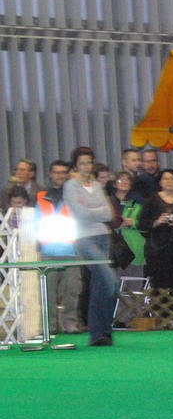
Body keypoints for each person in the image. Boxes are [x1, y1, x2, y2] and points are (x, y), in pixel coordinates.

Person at [62, 146, 117, 347]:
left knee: (101, 284)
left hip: (103, 236)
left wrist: (94, 210)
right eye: (82, 163)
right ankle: (99, 330)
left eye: (89, 162)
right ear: (76, 165)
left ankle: (101, 332)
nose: (86, 166)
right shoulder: (71, 186)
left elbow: (109, 214)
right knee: (110, 279)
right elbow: (81, 213)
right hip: (84, 239)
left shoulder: (95, 184)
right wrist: (98, 210)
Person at [34, 161, 82, 334]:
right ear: (50, 174)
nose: (60, 176)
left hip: (72, 249)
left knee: (72, 290)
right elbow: (35, 221)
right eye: (56, 172)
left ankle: (70, 323)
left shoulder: (76, 195)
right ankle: (50, 324)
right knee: (48, 292)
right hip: (48, 251)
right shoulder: (40, 196)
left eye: (63, 172)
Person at [110, 171, 146, 275]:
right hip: (114, 248)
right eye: (121, 179)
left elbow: (147, 223)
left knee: (135, 285)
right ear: (114, 184)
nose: (124, 182)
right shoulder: (108, 202)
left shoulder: (139, 203)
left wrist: (134, 222)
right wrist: (116, 225)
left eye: (128, 180)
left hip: (134, 247)